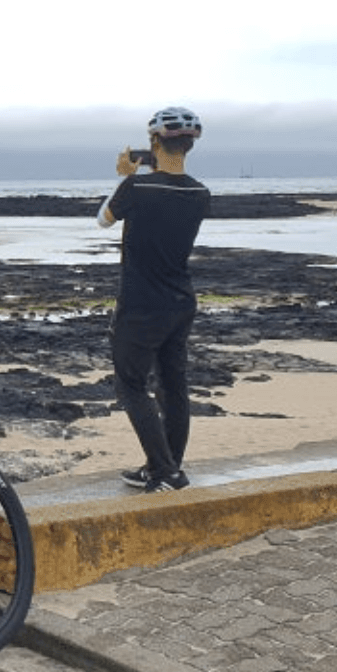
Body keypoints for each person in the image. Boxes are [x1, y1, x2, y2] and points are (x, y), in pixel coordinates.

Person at [97, 107, 211, 493]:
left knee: (130, 385)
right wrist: (147, 170)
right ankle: (165, 466)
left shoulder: (138, 188)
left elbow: (104, 218)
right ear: (189, 146)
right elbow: (167, 190)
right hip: (181, 302)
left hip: (141, 305)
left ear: (154, 143)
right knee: (173, 387)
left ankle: (165, 471)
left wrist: (127, 175)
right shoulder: (200, 193)